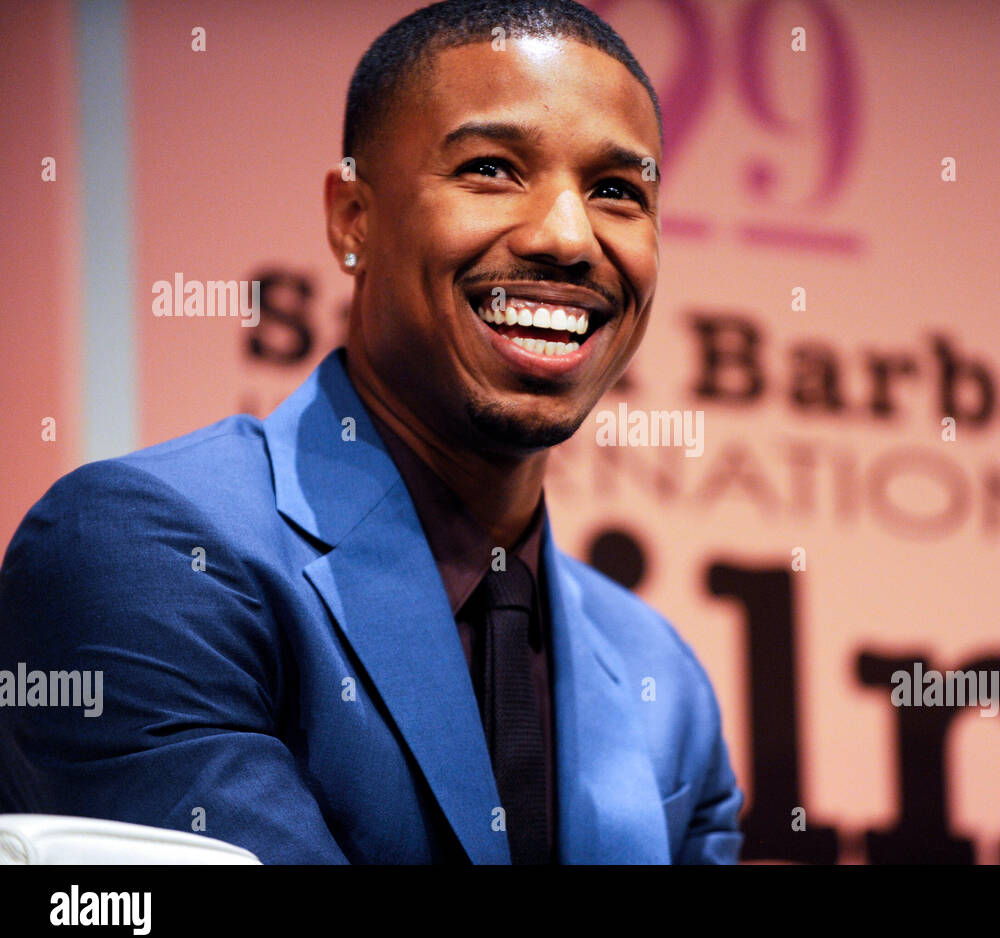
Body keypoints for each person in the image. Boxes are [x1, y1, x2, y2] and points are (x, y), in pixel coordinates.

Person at [0, 0, 743, 865]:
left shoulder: (666, 686)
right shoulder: (143, 553)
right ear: (354, 218)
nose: (568, 237)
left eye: (618, 191)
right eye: (492, 169)